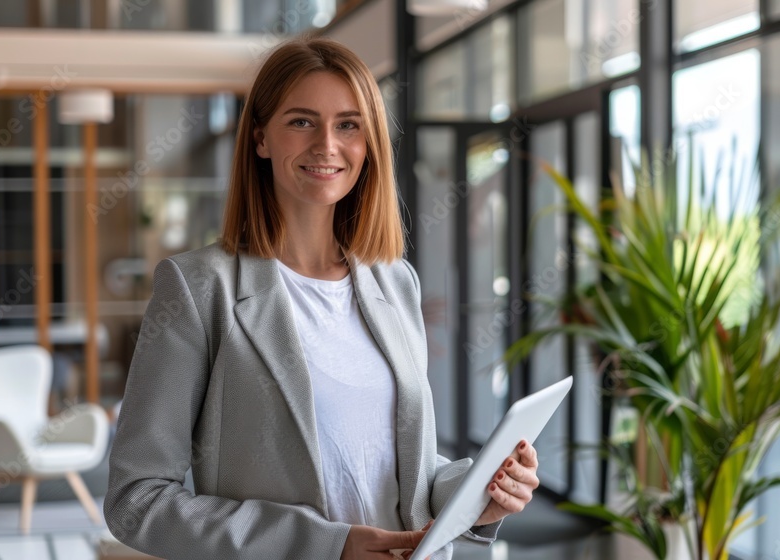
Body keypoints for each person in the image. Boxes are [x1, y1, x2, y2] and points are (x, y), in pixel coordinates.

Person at [104, 35, 540, 560]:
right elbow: (136, 501)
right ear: (261, 138)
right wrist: (328, 546)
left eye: (348, 125)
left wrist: (478, 495)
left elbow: (401, 469)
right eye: (302, 121)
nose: (327, 145)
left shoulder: (395, 282)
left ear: (369, 143)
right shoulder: (198, 288)